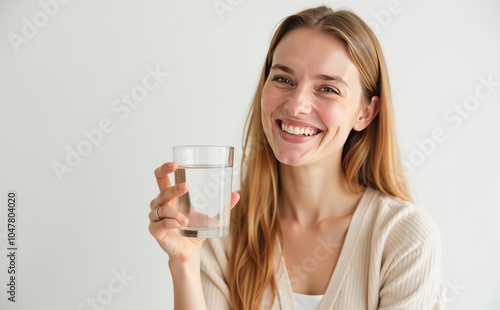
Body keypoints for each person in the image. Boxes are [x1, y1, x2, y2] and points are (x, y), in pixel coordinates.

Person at [148, 5, 445, 310]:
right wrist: (185, 263)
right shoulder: (223, 233)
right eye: (284, 80)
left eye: (328, 88)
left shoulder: (404, 237)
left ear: (365, 113)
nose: (296, 105)